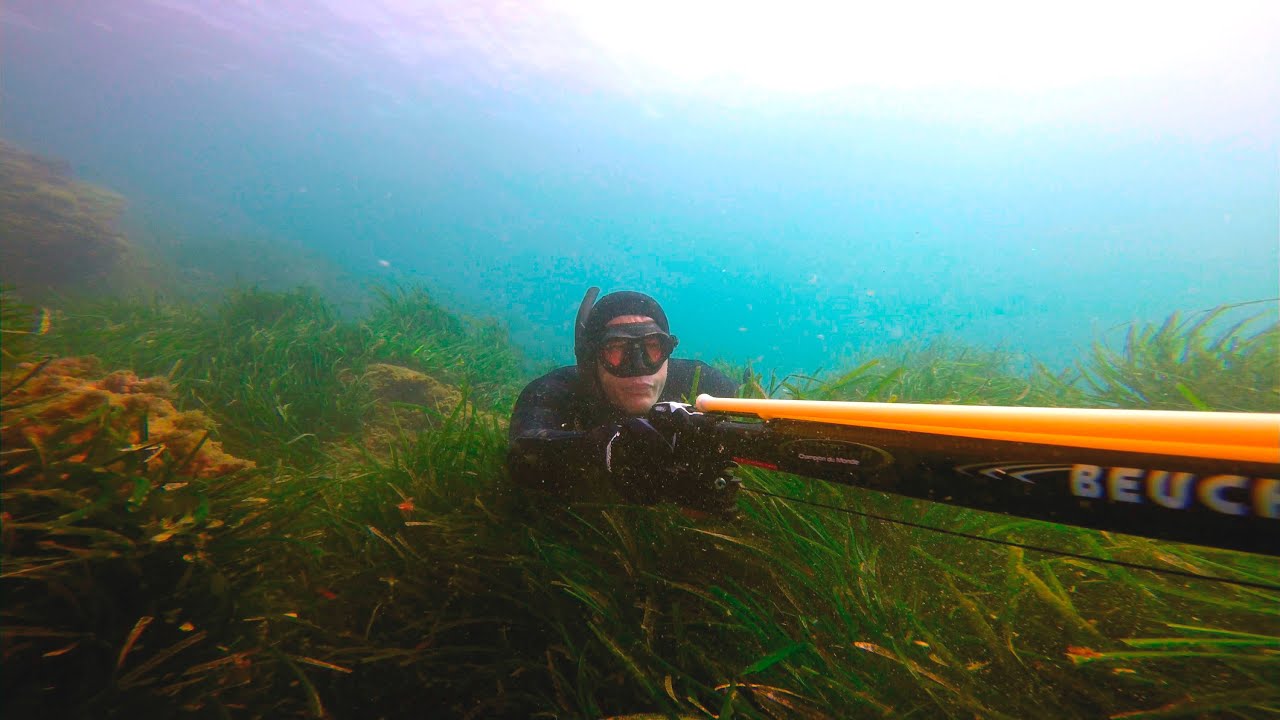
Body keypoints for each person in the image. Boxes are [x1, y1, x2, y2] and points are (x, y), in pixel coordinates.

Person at [507, 287, 741, 516]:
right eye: (616, 349)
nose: (638, 366)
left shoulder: (703, 384)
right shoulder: (556, 390)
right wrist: (604, 449)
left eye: (653, 347)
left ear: (668, 350)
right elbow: (524, 449)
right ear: (591, 360)